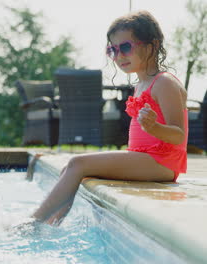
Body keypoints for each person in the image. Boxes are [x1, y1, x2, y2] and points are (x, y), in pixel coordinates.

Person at [30, 11, 188, 226]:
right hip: (147, 158)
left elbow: (178, 136)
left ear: (152, 45)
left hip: (163, 162)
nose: (118, 55)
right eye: (112, 50)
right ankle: (51, 222)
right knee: (71, 168)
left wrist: (155, 128)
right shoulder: (141, 84)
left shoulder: (164, 83)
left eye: (125, 47)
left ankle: (34, 222)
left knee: (78, 163)